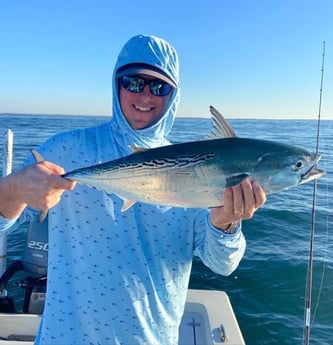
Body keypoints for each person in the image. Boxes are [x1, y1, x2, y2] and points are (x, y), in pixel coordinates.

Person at [0, 34, 266, 344]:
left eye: (159, 86)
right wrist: (13, 189)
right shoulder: (64, 150)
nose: (146, 95)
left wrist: (226, 224)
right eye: (134, 82)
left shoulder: (202, 171)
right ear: (117, 84)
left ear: (174, 95)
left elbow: (222, 264)